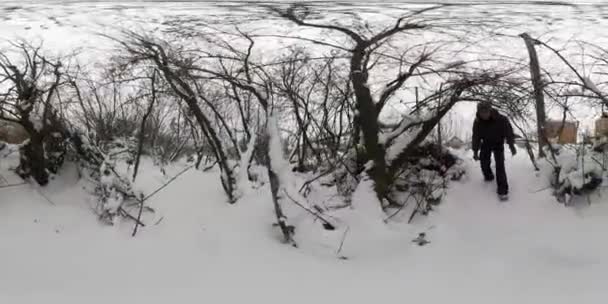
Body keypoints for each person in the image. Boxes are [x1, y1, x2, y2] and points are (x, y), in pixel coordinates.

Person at [472, 101, 516, 200]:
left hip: (498, 143)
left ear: (490, 111)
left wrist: (511, 145)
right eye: (481, 113)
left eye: (486, 112)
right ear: (478, 112)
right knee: (484, 162)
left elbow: (509, 133)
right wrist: (475, 151)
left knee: (500, 165)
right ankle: (488, 176)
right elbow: (476, 137)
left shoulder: (501, 119)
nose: (484, 115)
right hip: (486, 143)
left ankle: (503, 190)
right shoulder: (477, 122)